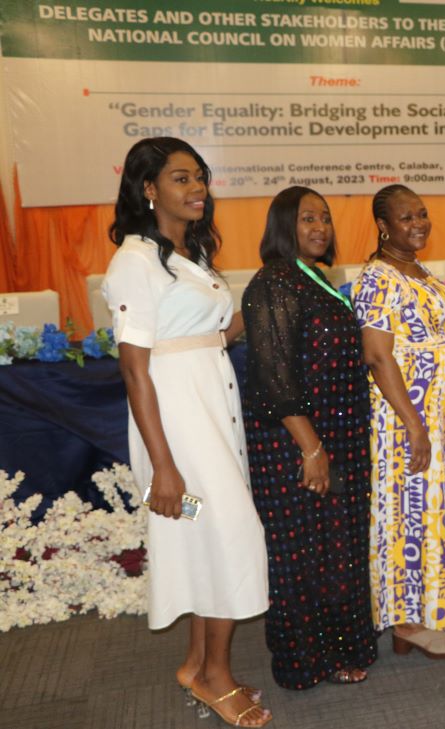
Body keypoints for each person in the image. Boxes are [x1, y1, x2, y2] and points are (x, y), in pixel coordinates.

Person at [102, 137, 270, 726]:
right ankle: (216, 677)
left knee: (208, 540)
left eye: (199, 177)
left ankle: (197, 666)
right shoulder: (134, 262)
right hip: (175, 435)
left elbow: (211, 336)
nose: (196, 188)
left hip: (213, 419)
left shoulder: (189, 257)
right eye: (180, 178)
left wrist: (269, 295)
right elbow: (133, 367)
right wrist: (164, 467)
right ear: (149, 189)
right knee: (228, 535)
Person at [241, 186, 377, 688]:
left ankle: (340, 646)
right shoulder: (274, 283)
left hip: (335, 434)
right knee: (301, 553)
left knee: (336, 547)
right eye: (305, 220)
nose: (319, 228)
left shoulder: (318, 277)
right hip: (295, 443)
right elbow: (275, 379)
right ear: (283, 226)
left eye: (324, 218)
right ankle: (303, 661)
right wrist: (312, 449)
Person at [353, 184, 445, 658]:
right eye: (406, 218)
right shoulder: (377, 278)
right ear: (383, 226)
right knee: (404, 516)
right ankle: (404, 620)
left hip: (440, 418)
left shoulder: (420, 270)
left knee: (431, 514)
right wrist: (414, 424)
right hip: (405, 419)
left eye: (422, 215)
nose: (419, 224)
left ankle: (421, 612)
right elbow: (377, 356)